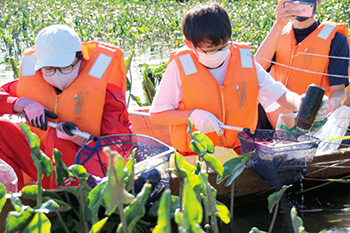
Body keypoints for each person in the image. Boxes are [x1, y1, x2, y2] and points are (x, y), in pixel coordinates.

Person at [149, 3, 326, 156]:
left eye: (224, 46)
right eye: (210, 50)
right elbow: (157, 115)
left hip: (241, 153)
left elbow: (278, 94)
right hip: (197, 155)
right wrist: (193, 116)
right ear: (190, 44)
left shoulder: (244, 60)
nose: (219, 53)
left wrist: (299, 102)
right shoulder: (180, 66)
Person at [0, 24, 131, 189]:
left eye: (65, 67)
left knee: (57, 136)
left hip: (88, 174)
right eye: (49, 69)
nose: (57, 74)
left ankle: (70, 196)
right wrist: (22, 103)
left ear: (80, 59)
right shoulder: (31, 84)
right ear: (39, 67)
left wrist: (78, 138)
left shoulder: (107, 94)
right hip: (45, 167)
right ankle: (14, 196)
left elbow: (120, 148)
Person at [255, 0, 349, 128]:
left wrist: (335, 101)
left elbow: (338, 89)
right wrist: (278, 24)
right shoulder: (278, 34)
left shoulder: (337, 40)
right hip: (277, 120)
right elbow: (256, 69)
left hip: (315, 121)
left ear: (318, 1)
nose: (298, 2)